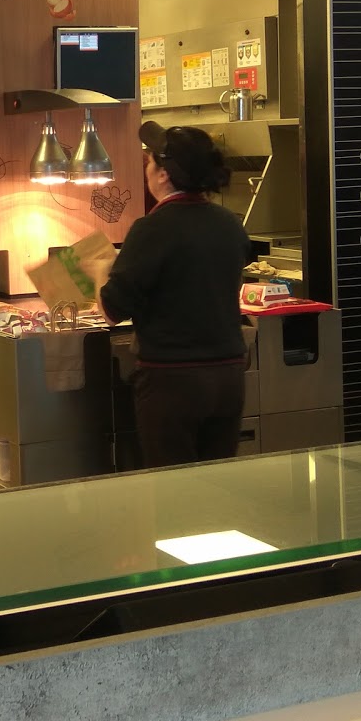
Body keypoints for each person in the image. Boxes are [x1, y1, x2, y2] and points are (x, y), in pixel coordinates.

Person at [100, 121, 254, 467]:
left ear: (163, 174)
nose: (146, 167)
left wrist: (98, 272)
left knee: (174, 484)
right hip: (228, 377)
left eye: (150, 161)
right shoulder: (229, 223)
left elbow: (111, 310)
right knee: (218, 481)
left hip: (173, 381)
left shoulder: (152, 229)